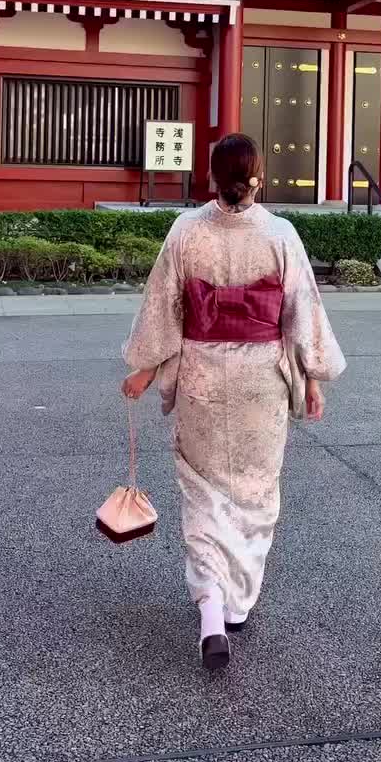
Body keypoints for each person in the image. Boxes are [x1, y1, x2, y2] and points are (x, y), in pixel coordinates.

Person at [121, 133, 346, 670]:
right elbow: (301, 313)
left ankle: (210, 609)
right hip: (259, 379)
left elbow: (162, 308)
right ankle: (238, 602)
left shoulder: (185, 232)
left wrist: (146, 369)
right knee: (253, 494)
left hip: (202, 372)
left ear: (211, 177)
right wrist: (312, 378)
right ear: (257, 177)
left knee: (201, 494)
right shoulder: (279, 233)